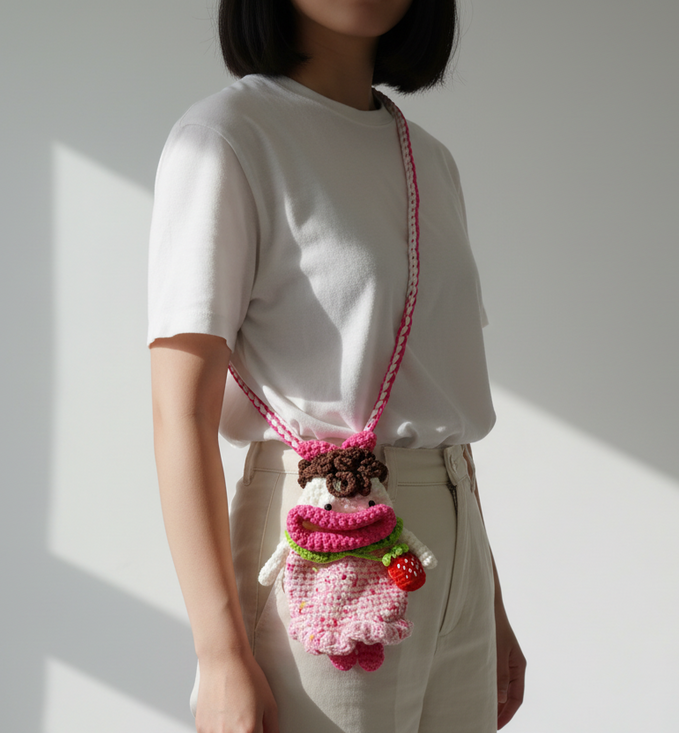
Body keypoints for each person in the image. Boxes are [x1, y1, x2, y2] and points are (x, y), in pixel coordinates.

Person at [148, 0, 525, 730]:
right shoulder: (226, 138)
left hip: (455, 550)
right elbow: (179, 413)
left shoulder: (431, 161)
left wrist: (490, 603)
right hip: (322, 534)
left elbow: (434, 394)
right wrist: (219, 653)